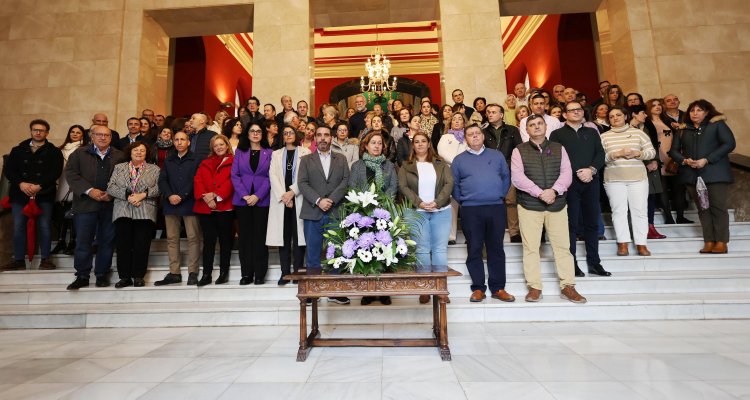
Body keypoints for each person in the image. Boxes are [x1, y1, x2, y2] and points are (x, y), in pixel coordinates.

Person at [511, 114, 586, 303]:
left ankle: (568, 286)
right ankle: (534, 287)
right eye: (532, 125)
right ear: (526, 130)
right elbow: (518, 178)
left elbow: (566, 173)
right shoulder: (519, 150)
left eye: (539, 124)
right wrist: (539, 193)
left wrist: (554, 191)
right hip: (529, 206)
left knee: (562, 247)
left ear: (546, 127)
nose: (536, 127)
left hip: (557, 205)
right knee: (531, 248)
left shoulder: (558, 148)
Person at [451, 124, 514, 303]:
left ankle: (498, 288)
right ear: (466, 139)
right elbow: (454, 185)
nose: (475, 136)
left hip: (495, 207)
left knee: (496, 249)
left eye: (478, 133)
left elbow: (505, 177)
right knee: (474, 248)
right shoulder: (459, 160)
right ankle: (478, 288)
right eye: (470, 134)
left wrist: (498, 196)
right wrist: (465, 200)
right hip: (471, 209)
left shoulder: (497, 156)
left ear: (483, 136)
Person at [550, 102, 610, 277]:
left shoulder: (591, 132)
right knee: (571, 224)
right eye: (572, 110)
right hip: (569, 184)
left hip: (591, 181)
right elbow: (555, 158)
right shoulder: (557, 134)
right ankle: (572, 263)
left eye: (579, 109)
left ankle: (594, 263)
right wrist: (576, 172)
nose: (576, 112)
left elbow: (600, 153)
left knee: (592, 223)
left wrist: (591, 170)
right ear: (565, 115)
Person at [669, 99, 736, 254]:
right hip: (692, 175)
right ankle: (709, 241)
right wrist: (684, 160)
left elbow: (729, 144)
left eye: (699, 110)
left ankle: (721, 241)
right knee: (703, 209)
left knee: (718, 207)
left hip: (715, 174)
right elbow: (673, 151)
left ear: (707, 112)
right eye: (692, 110)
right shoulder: (683, 129)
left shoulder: (717, 125)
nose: (695, 113)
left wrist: (707, 160)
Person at [64, 124, 125, 289]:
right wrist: (89, 191)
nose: (103, 137)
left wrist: (112, 193)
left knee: (107, 241)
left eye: (107, 135)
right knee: (83, 241)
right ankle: (82, 275)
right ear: (91, 136)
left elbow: (125, 179)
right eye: (99, 134)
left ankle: (101, 274)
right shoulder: (79, 153)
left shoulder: (119, 156)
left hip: (110, 205)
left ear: (111, 138)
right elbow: (71, 174)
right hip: (85, 204)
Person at [297, 125, 351, 305]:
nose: (322, 138)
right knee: (312, 253)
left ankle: (334, 291)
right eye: (319, 135)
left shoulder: (341, 159)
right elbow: (302, 183)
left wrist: (331, 200)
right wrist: (319, 200)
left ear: (331, 138)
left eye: (326, 135)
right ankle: (313, 291)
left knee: (335, 252)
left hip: (335, 212)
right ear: (315, 138)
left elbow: (345, 182)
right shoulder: (306, 159)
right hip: (313, 211)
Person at [398, 132, 454, 304]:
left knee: (439, 250)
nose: (420, 144)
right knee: (421, 250)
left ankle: (440, 289)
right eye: (417, 142)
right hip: (416, 212)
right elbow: (403, 187)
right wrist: (419, 203)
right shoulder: (406, 165)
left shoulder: (441, 163)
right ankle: (425, 287)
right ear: (412, 145)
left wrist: (437, 202)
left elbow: (449, 183)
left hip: (441, 210)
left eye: (423, 141)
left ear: (429, 144)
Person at [2, 119, 64, 272]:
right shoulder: (17, 150)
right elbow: (9, 170)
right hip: (19, 193)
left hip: (44, 193)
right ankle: (18, 260)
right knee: (18, 227)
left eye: (41, 130)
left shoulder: (54, 151)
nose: (38, 132)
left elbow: (56, 172)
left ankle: (45, 259)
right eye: (35, 130)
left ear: (47, 132)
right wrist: (21, 184)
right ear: (30, 131)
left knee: (44, 226)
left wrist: (39, 185)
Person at [349, 131, 399, 305]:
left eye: (379, 143)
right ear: (366, 146)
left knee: (385, 250)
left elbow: (393, 186)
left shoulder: (389, 165)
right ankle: (368, 291)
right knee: (366, 250)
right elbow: (352, 187)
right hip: (363, 213)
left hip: (385, 213)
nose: (377, 146)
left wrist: (384, 205)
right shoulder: (357, 166)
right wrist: (364, 205)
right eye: (373, 143)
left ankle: (385, 291)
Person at [600, 106, 656, 257]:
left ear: (625, 116)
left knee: (639, 211)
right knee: (619, 211)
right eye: (611, 116)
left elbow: (651, 152)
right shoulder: (604, 136)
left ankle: (641, 244)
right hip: (614, 179)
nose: (615, 118)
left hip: (637, 178)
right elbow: (600, 159)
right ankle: (622, 243)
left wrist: (637, 153)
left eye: (618, 115)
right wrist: (616, 154)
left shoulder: (638, 133)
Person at [107, 142, 160, 288]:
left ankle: (138, 276)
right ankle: (124, 277)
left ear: (146, 153)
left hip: (145, 210)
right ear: (130, 152)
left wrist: (142, 195)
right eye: (136, 150)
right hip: (123, 209)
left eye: (142, 150)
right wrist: (128, 196)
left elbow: (159, 188)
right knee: (123, 245)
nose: (139, 152)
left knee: (141, 245)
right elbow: (110, 187)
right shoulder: (119, 167)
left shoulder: (154, 169)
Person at [155, 131, 202, 286]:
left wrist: (181, 195)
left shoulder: (196, 159)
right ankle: (174, 272)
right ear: (173, 142)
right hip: (170, 203)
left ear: (189, 142)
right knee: (172, 239)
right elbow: (162, 180)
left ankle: (193, 272)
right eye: (177, 140)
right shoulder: (169, 160)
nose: (179, 142)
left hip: (189, 203)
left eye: (183, 139)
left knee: (193, 238)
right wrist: (169, 195)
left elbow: (196, 180)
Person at [267, 125, 310, 285]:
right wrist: (284, 196)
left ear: (296, 135)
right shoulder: (276, 154)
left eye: (291, 132)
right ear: (282, 137)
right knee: (283, 237)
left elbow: (306, 176)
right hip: (281, 201)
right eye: (285, 133)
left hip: (298, 199)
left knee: (299, 237)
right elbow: (272, 175)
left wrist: (292, 192)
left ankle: (298, 272)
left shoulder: (306, 152)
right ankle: (285, 273)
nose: (288, 135)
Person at [232, 123, 273, 285]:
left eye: (259, 131)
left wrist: (257, 195)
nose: (255, 134)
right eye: (252, 131)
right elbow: (235, 175)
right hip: (243, 202)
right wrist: (245, 195)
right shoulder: (240, 152)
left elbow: (271, 176)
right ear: (247, 134)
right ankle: (246, 274)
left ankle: (259, 274)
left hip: (262, 201)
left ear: (262, 134)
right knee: (245, 238)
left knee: (260, 237)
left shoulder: (269, 153)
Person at [193, 135, 235, 286]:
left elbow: (232, 181)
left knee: (225, 242)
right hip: (207, 208)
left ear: (227, 145)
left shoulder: (234, 161)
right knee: (209, 242)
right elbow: (198, 180)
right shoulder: (205, 162)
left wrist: (216, 195)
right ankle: (206, 274)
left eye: (221, 144)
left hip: (225, 207)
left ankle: (224, 273)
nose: (219, 147)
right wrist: (207, 198)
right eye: (215, 145)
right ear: (212, 148)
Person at [646, 98, 691, 224]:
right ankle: (669, 218)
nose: (657, 107)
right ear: (649, 108)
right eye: (653, 105)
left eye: (659, 104)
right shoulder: (647, 122)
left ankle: (681, 216)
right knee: (663, 189)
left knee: (679, 188)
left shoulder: (668, 120)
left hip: (673, 157)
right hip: (658, 158)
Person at [482, 104, 523, 243]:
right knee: (491, 201)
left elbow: (519, 150)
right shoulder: (483, 131)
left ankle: (514, 232)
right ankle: (492, 230)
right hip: (489, 171)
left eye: (494, 112)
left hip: (509, 169)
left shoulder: (512, 130)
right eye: (488, 112)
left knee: (511, 200)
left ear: (501, 115)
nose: (490, 114)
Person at [629, 104, 668, 240]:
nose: (646, 115)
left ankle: (650, 227)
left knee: (651, 197)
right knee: (637, 200)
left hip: (651, 166)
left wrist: (655, 160)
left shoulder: (646, 127)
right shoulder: (627, 129)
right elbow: (630, 149)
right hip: (636, 168)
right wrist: (647, 162)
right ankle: (641, 228)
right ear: (634, 114)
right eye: (642, 113)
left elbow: (652, 145)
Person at [51, 125, 89, 256]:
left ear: (82, 135)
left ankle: (73, 241)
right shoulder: (61, 148)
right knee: (62, 211)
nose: (75, 134)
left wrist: (78, 184)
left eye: (78, 132)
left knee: (73, 212)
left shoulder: (84, 148)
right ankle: (61, 241)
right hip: (62, 181)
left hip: (75, 182)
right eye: (72, 132)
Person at [437, 112, 468, 245]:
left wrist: (461, 165)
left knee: (466, 206)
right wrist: (457, 163)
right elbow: (441, 152)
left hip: (466, 174)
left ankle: (469, 236)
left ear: (464, 122)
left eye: (459, 119)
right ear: (450, 122)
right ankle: (451, 236)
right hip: (450, 173)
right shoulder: (445, 137)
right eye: (454, 119)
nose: (456, 121)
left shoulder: (468, 137)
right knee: (452, 205)